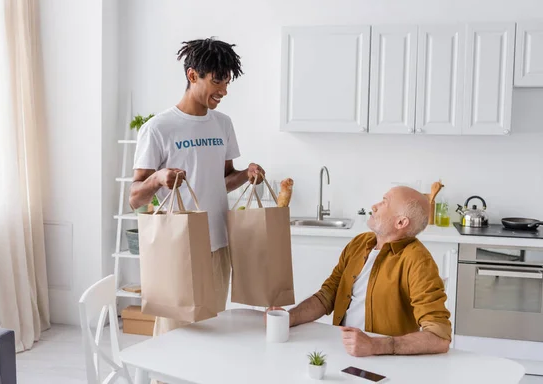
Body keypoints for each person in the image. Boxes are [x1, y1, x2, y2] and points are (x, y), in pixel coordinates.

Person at [129, 37, 265, 350]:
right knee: (174, 341)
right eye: (217, 81)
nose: (224, 91)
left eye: (227, 82)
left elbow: (223, 181)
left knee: (211, 337)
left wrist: (247, 176)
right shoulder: (158, 128)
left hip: (218, 244)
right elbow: (135, 197)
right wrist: (158, 179)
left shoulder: (223, 124)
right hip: (178, 247)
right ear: (193, 76)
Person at [270, 186, 451, 356]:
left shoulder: (418, 261)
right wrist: (289, 318)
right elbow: (327, 296)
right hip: (344, 352)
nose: (375, 206)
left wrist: (375, 345)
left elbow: (439, 337)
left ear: (401, 222)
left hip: (386, 360)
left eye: (384, 202)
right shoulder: (359, 243)